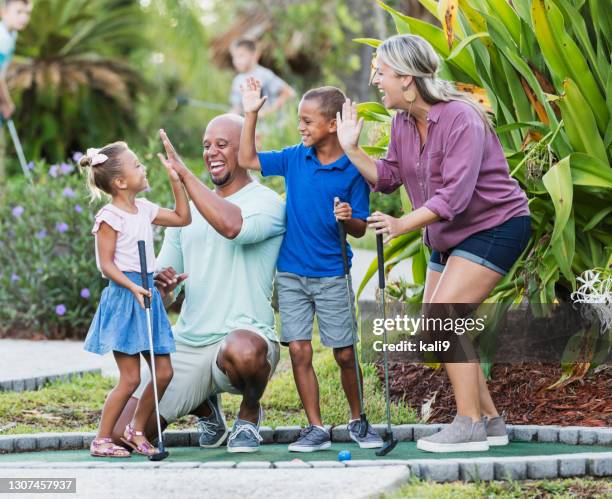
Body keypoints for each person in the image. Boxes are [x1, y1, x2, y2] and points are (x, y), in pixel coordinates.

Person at [336, 34, 531, 453]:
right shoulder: (403, 123)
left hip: (495, 225)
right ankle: (492, 423)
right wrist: (351, 149)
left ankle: (469, 425)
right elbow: (388, 175)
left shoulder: (462, 117)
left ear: (407, 79)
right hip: (449, 237)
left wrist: (403, 223)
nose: (376, 81)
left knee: (443, 320)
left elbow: (455, 198)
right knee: (437, 330)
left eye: (382, 73)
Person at [112, 115, 286, 454]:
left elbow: (231, 227)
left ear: (246, 149)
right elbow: (164, 285)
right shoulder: (186, 214)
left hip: (244, 337)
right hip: (189, 342)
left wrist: (185, 176)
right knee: (124, 433)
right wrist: (162, 288)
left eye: (222, 145)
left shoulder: (267, 203)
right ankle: (207, 409)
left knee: (244, 351)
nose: (212, 152)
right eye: (207, 145)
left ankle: (249, 417)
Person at [238, 77, 383, 452]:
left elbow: (359, 227)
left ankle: (357, 420)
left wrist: (348, 217)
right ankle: (316, 427)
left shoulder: (353, 169)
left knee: (345, 352)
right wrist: (250, 114)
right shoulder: (294, 157)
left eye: (308, 120)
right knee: (299, 351)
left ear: (333, 124)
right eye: (299, 120)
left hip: (332, 273)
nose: (300, 127)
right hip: (291, 274)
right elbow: (248, 160)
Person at [80, 141, 191, 458]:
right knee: (129, 379)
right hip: (125, 297)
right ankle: (102, 439)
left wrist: (176, 182)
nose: (143, 168)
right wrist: (132, 286)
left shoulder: (144, 208)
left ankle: (136, 429)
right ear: (119, 182)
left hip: (147, 294)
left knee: (164, 372)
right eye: (137, 164)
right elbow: (106, 264)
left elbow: (183, 218)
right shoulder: (109, 216)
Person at [229, 38, 295, 117]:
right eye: (234, 57)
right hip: (251, 127)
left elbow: (289, 93)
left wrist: (268, 112)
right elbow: (236, 108)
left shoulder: (264, 75)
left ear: (254, 55)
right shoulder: (237, 81)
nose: (236, 61)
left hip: (270, 126)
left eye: (241, 56)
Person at [0, 0, 31, 120]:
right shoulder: (2, 38)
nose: (24, 17)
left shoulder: (12, 34)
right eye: (18, 12)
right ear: (3, 13)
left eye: (27, 12)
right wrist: (6, 102)